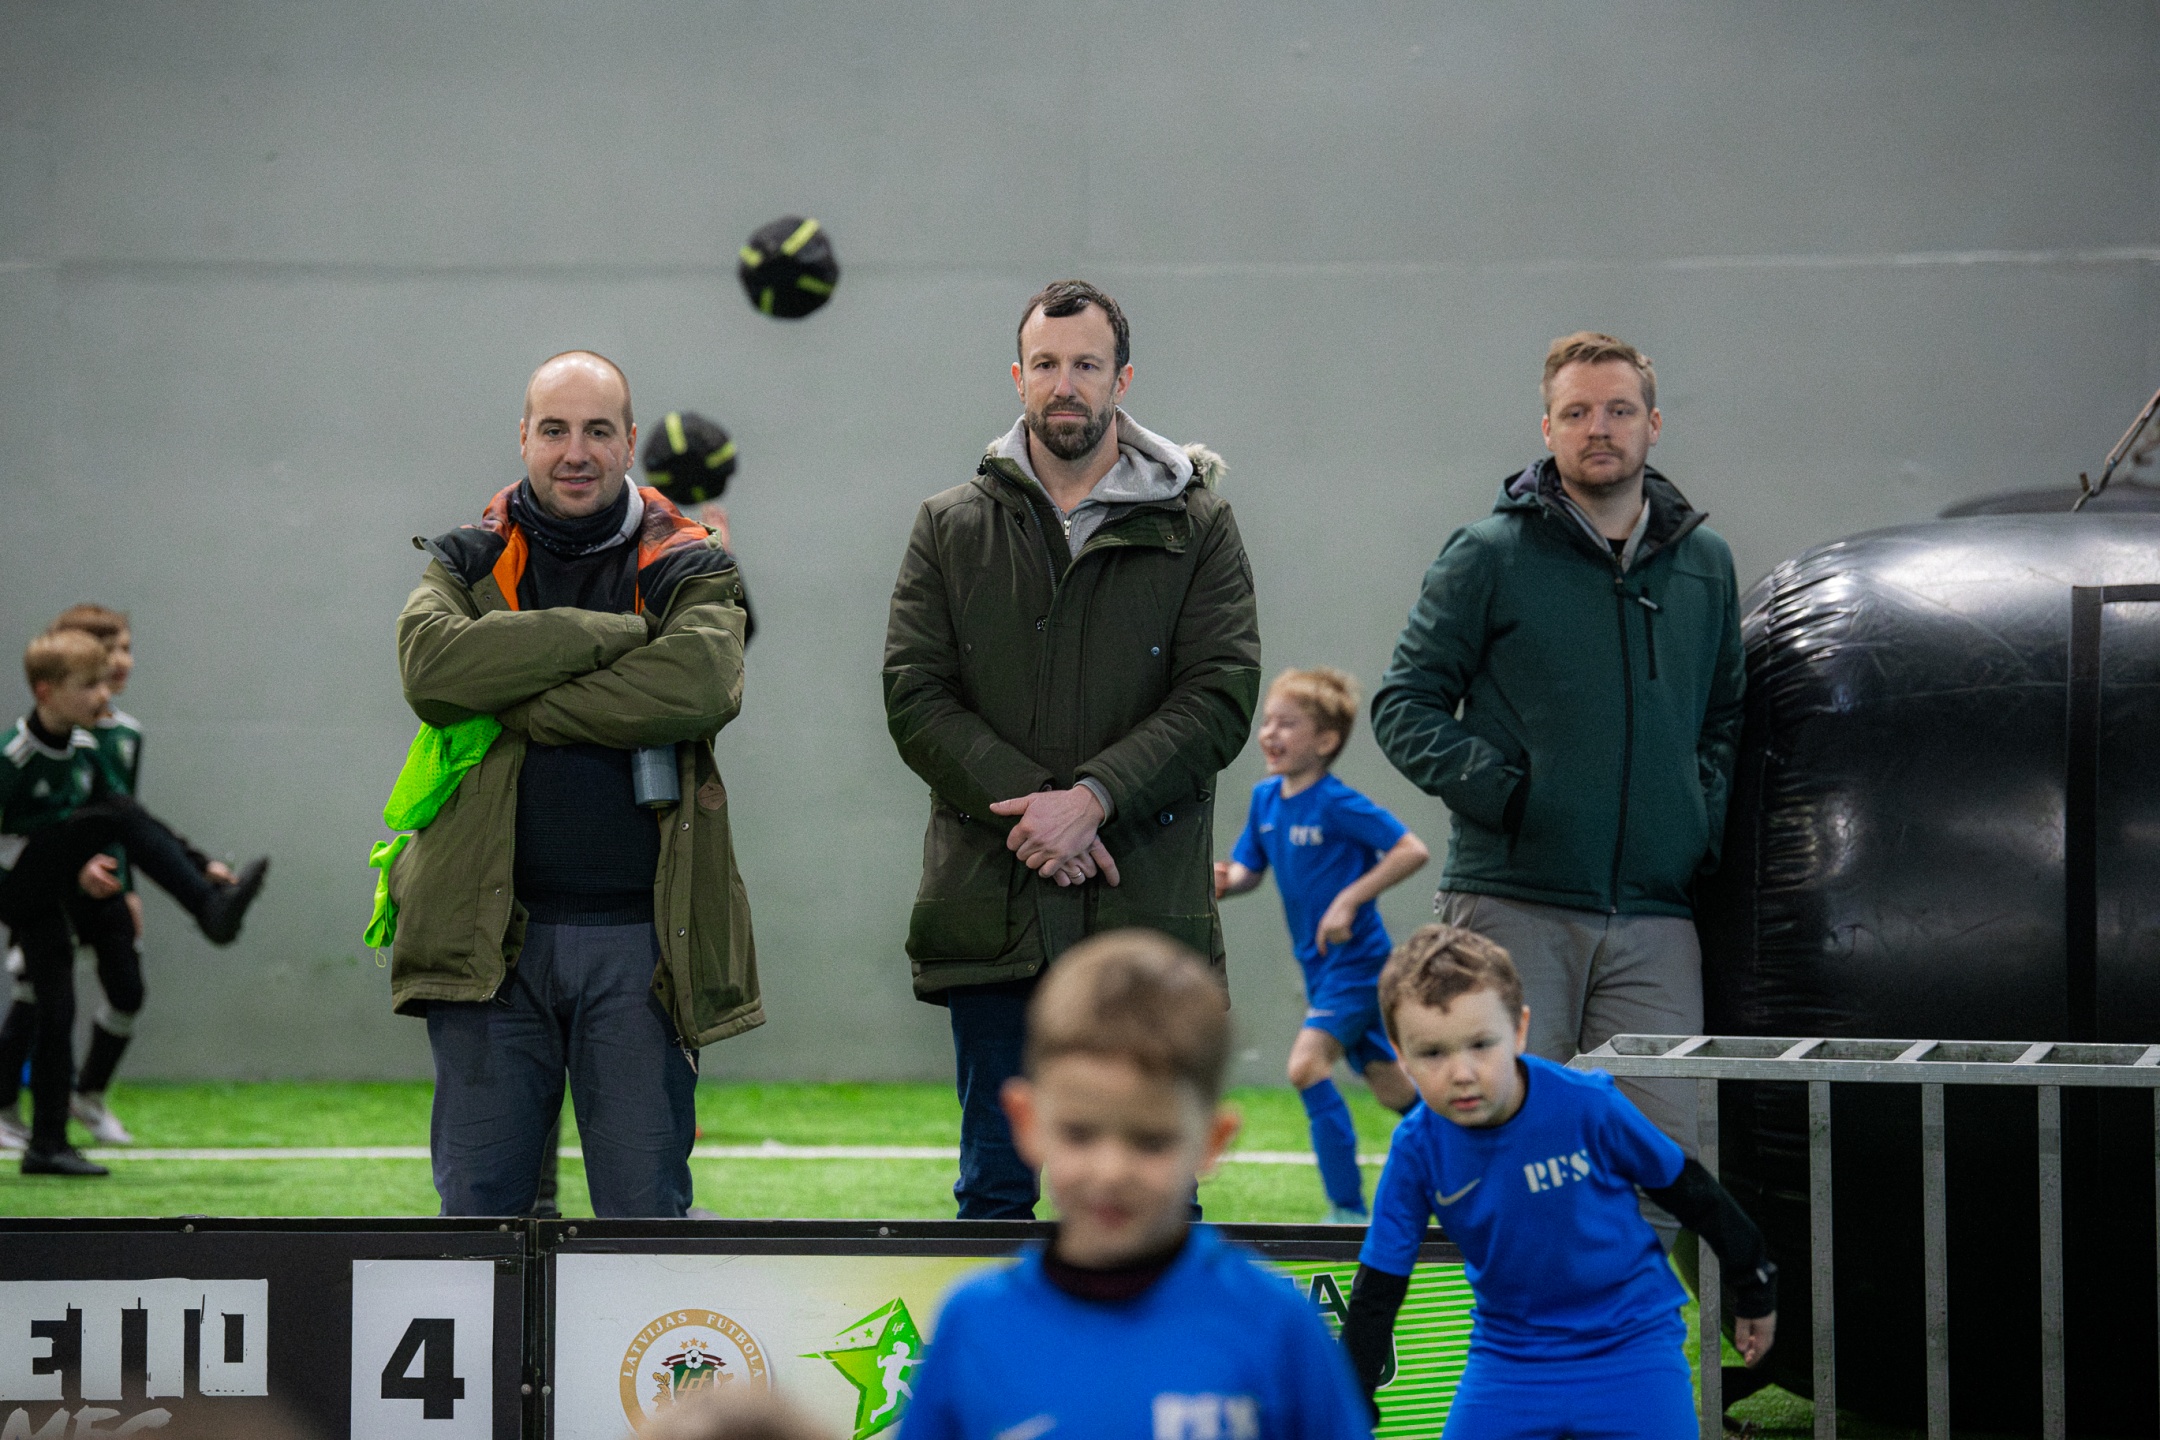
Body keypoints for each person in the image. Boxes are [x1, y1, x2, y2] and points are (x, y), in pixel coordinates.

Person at [883, 280, 1261, 1219]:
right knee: (995, 1191)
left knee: (1156, 1192)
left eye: (1086, 365)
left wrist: (1093, 800)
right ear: (1017, 378)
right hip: (995, 911)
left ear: (1121, 379)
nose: (1065, 385)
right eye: (1046, 365)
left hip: (1143, 910)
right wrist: (1037, 809)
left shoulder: (1198, 526)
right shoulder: (949, 525)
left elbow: (1220, 696)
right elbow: (914, 695)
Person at [1369, 331, 1744, 1243]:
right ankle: (1506, 1334)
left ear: (1653, 424)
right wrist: (1511, 798)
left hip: (1656, 920)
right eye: (1576, 412)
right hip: (1514, 907)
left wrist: (1692, 822)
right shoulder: (1488, 554)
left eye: (1618, 410)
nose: (1598, 428)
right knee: (1497, 1156)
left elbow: (1724, 717)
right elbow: (1403, 703)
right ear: (1548, 429)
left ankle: (1636, 1339)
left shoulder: (1707, 565)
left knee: (1664, 1170)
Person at [393, 349, 755, 1219]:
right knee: (481, 1221)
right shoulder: (468, 556)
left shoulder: (689, 558)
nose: (576, 452)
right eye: (554, 430)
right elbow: (433, 672)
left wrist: (515, 699)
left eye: (598, 431)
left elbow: (701, 684)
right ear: (524, 437)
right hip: (489, 943)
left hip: (642, 947)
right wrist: (617, 634)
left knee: (644, 1220)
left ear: (629, 441)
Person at [897, 929, 1372, 1440]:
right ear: (1027, 1123)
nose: (1111, 1172)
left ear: (1212, 1141)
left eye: (1151, 1142)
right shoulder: (973, 1325)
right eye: (1079, 1134)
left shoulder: (1278, 1325)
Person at [1339, 924, 1775, 1439]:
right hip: (1509, 1363)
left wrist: (1755, 1288)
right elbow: (1378, 1289)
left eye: (1481, 1044)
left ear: (1520, 1030)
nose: (1462, 1072)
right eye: (1433, 1053)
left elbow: (1691, 1191)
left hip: (1632, 1352)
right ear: (1400, 1054)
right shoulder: (1417, 1149)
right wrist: (1348, 1404)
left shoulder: (1588, 1106)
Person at [1, 629, 268, 1175]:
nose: (103, 695)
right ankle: (209, 910)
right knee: (115, 814)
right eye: (88, 685)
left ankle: (47, 1144)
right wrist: (67, 859)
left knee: (57, 1006)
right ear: (45, 691)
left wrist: (198, 861)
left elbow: (133, 818)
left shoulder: (82, 749)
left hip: (48, 893)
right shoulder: (14, 756)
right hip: (15, 884)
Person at [1215, 667, 1427, 1222]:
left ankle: (1347, 1211)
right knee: (1392, 1089)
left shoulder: (1337, 803)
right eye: (1268, 721)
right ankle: (1470, 1164)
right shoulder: (1265, 800)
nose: (1270, 733)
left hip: (1359, 965)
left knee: (1306, 1068)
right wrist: (1224, 881)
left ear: (1327, 741)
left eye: (1287, 723)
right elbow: (1248, 870)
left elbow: (1411, 850)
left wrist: (1349, 899)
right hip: (1320, 968)